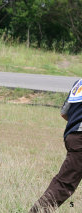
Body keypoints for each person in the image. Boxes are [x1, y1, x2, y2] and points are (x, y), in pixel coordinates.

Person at [30, 79, 82, 212]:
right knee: (64, 184)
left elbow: (64, 113)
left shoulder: (79, 83)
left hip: (73, 135)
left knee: (64, 183)